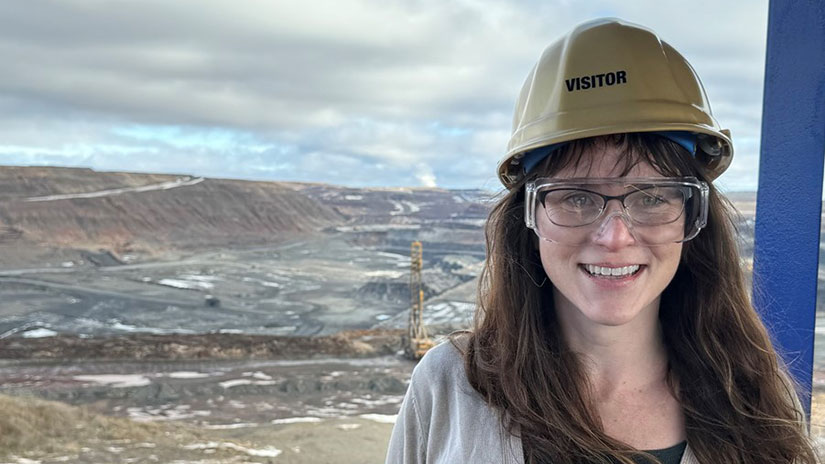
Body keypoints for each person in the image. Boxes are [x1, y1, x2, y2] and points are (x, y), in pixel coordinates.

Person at [385, 18, 818, 464]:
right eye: (576, 197)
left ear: (694, 217)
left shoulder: (756, 402)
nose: (614, 237)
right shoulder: (448, 389)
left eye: (652, 197)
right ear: (528, 216)